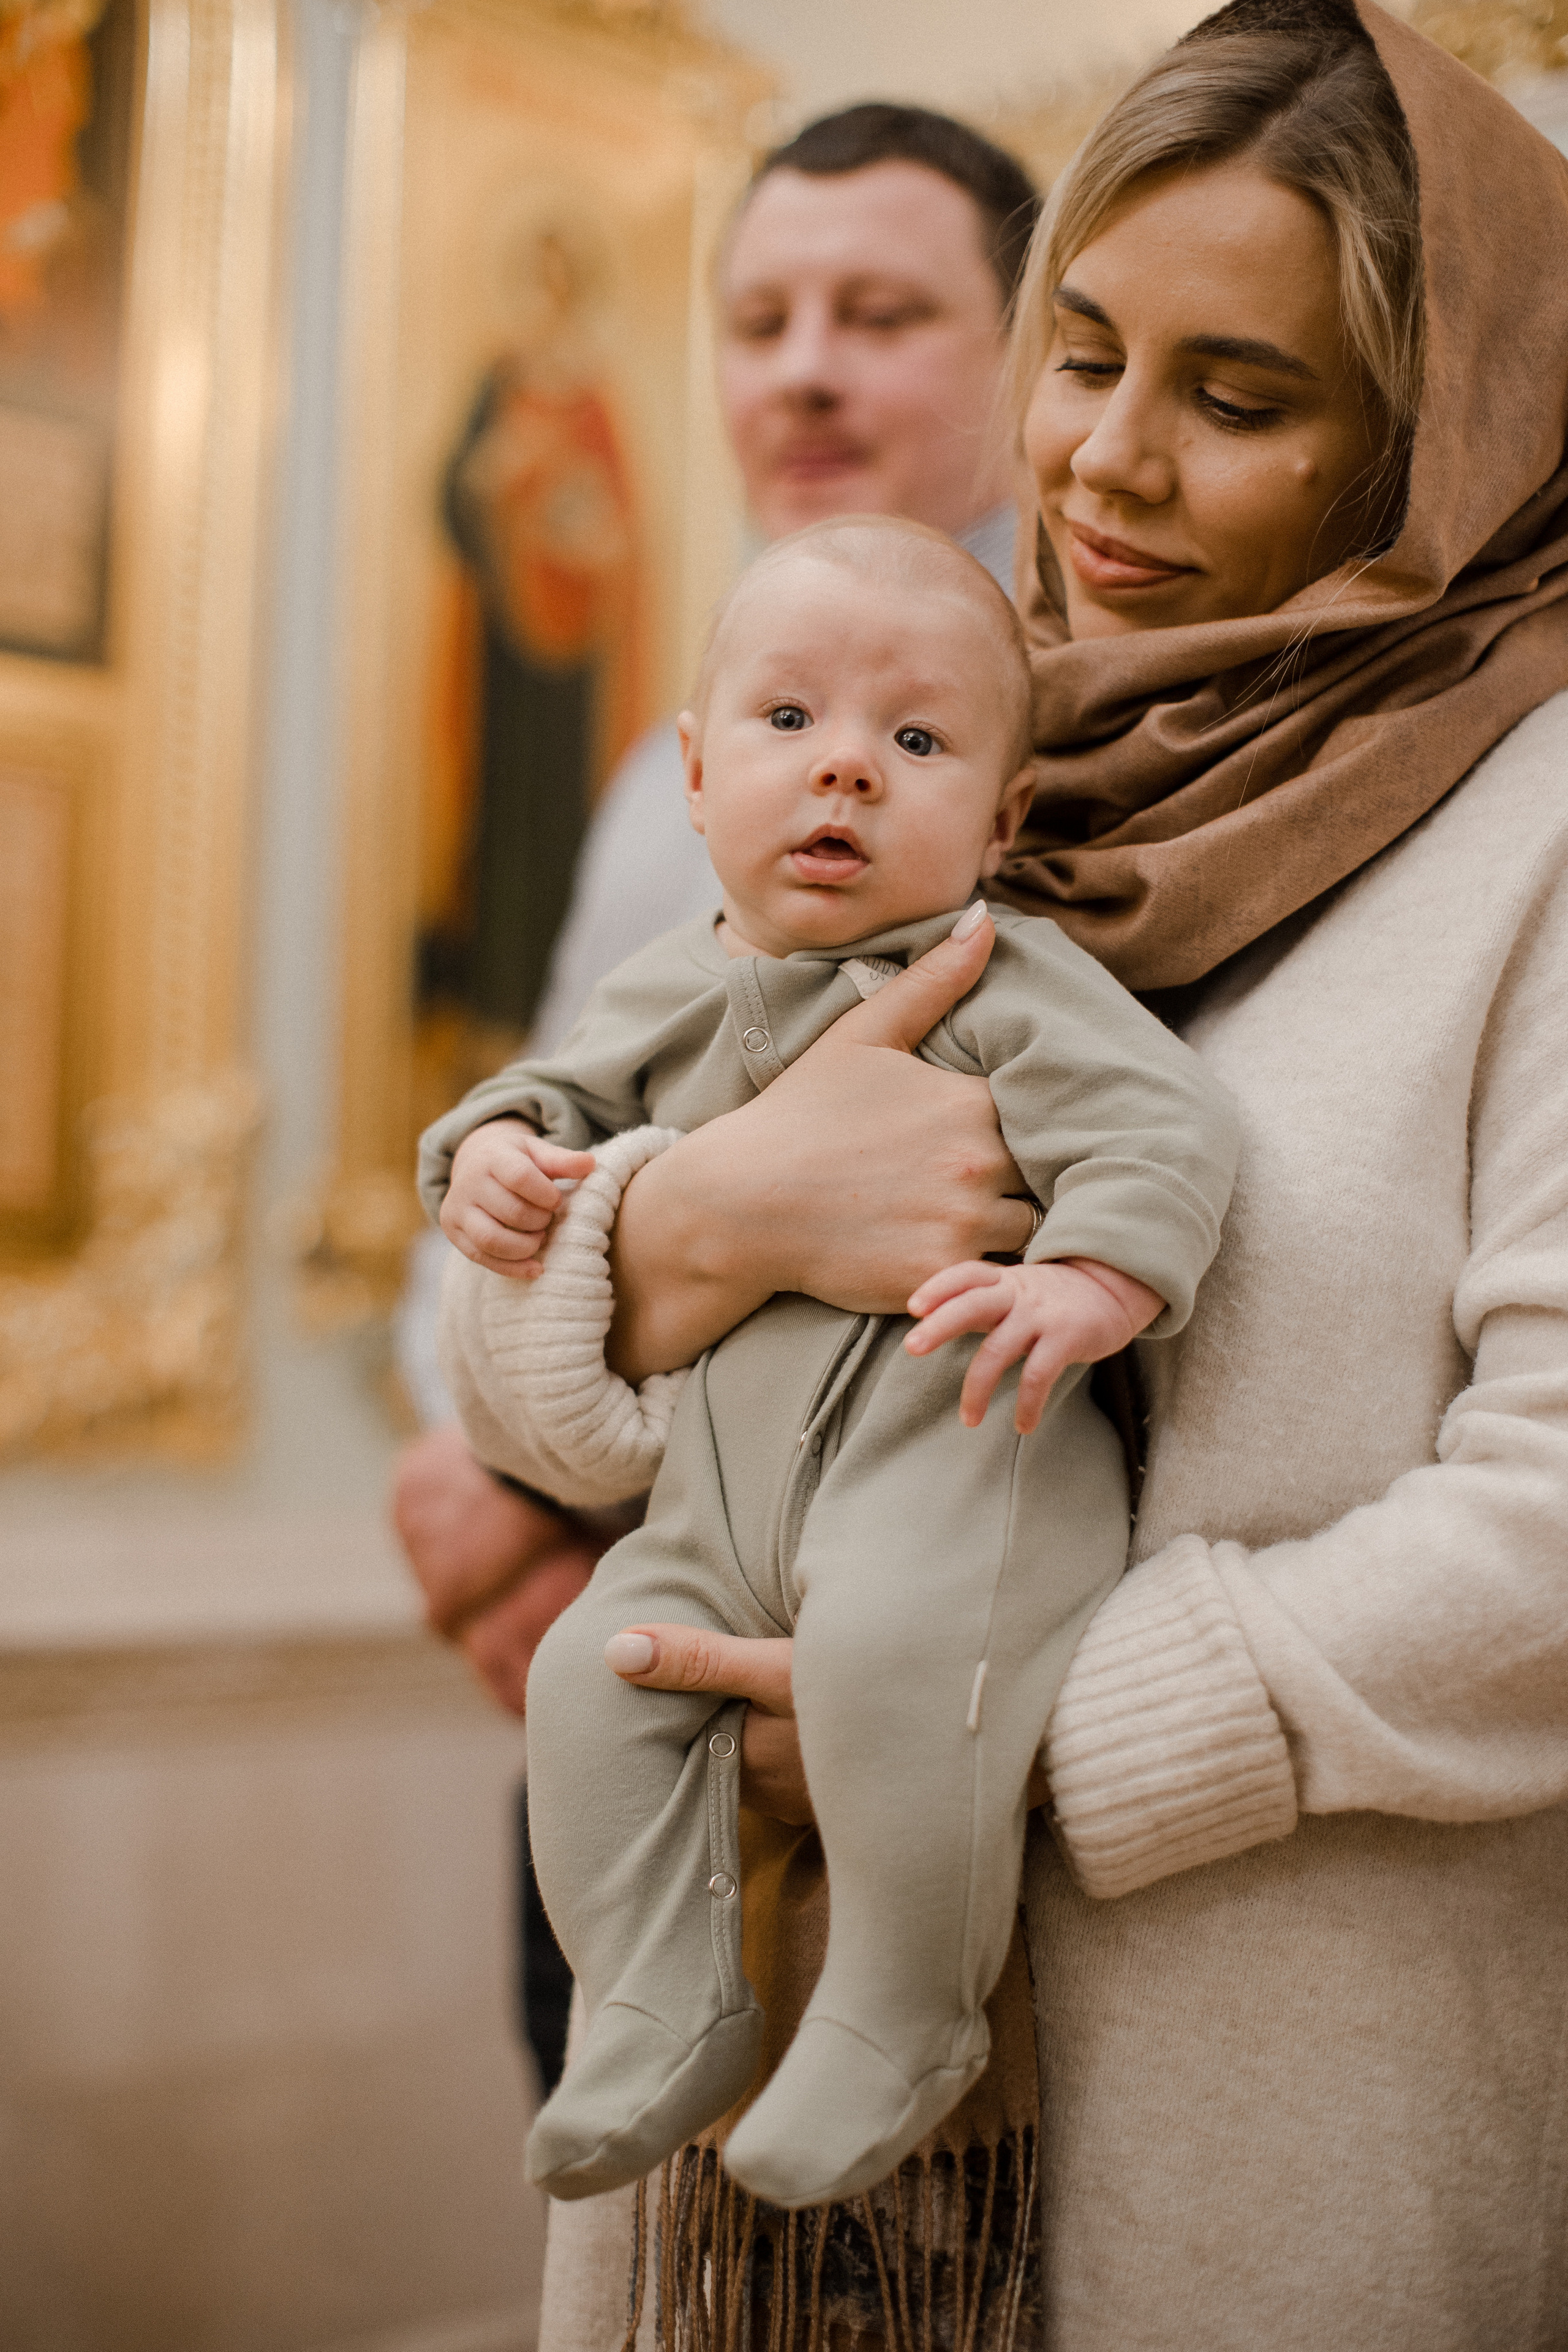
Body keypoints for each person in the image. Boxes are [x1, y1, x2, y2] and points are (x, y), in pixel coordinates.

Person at [439, 1, 1568, 2343]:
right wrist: (700, 1221)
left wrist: (995, 1723)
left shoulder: (1534, 836)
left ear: (1445, 431)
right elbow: (525, 1382)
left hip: (1247, 2122)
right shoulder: (942, 750)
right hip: (767, 2131)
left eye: (1239, 402)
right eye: (1080, 356)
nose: (1106, 468)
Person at [427, 518, 1237, 2209]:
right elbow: (548, 1108)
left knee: (888, 1673)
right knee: (596, 1683)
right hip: (711, 1513)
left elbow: (1159, 1123)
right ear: (702, 773)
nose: (849, 773)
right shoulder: (670, 986)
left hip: (950, 1473)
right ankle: (659, 1998)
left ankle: (901, 2007)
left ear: (1002, 822)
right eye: (792, 724)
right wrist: (493, 1154)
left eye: (919, 742)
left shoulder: (995, 976)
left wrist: (1096, 1276)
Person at [392, 105, 1041, 2097]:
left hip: (838, 1682)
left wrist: (520, 1501)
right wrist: (468, 1456)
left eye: (881, 312)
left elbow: (887, 1210)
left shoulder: (1051, 745)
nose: (806, 367)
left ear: (1028, 356)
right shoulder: (651, 776)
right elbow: (566, 1113)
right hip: (595, 1632)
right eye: (759, 317)